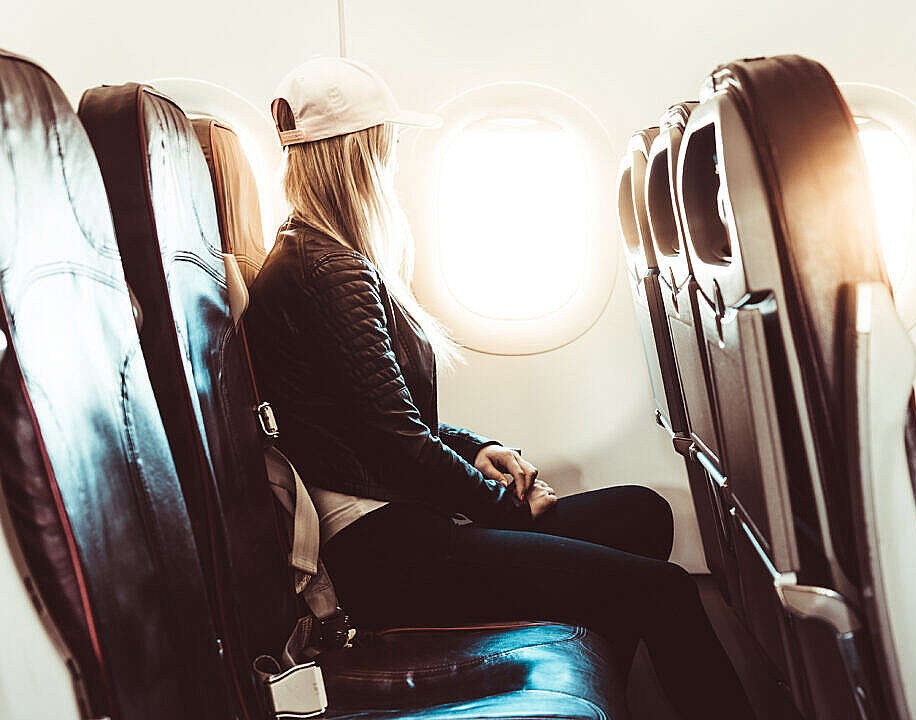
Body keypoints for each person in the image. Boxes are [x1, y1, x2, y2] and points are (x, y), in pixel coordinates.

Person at [243, 56, 755, 719]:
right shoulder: (327, 270)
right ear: (362, 155)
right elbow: (397, 445)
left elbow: (384, 420)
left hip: (404, 527)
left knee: (643, 513)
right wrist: (506, 508)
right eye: (387, 147)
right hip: (386, 557)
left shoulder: (323, 256)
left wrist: (480, 447)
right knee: (662, 591)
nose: (394, 164)